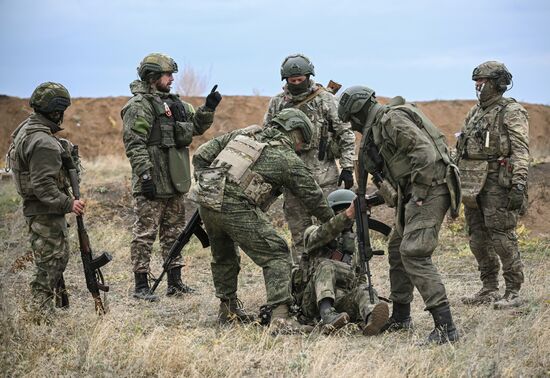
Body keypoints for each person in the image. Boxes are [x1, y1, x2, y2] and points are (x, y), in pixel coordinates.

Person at [190, 108, 334, 332]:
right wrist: (333, 222)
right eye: (302, 142)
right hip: (235, 207)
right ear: (295, 132)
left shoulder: (243, 135)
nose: (300, 148)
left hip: (207, 203)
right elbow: (313, 196)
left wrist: (209, 184)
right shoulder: (285, 158)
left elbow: (201, 154)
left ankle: (227, 310)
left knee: (224, 256)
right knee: (276, 252)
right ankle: (281, 317)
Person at [338, 86, 460, 344]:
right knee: (396, 248)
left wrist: (419, 194)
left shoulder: (391, 119)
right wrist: (374, 198)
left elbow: (425, 155)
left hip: (430, 189)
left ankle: (445, 328)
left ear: (359, 113)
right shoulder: (378, 128)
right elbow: (399, 172)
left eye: (352, 120)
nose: (352, 126)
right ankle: (402, 317)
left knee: (413, 252)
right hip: (416, 191)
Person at [121, 53, 221, 301]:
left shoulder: (176, 105)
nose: (172, 78)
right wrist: (145, 176)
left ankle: (175, 283)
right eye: (168, 74)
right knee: (145, 234)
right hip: (153, 181)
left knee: (173, 233)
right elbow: (135, 144)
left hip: (175, 181)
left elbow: (195, 127)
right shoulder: (139, 106)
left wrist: (208, 108)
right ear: (153, 77)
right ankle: (141, 286)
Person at [263, 53, 356, 263]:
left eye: (300, 80)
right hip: (291, 181)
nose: (297, 84)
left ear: (309, 76)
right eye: (292, 81)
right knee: (299, 236)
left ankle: (334, 275)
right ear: (285, 80)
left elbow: (345, 133)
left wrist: (348, 167)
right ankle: (303, 282)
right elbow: (266, 136)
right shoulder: (278, 103)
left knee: (329, 231)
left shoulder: (325, 99)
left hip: (324, 180)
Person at [456, 61, 529, 309]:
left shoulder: (511, 111)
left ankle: (514, 291)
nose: (478, 86)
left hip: (498, 183)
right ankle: (488, 288)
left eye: (483, 81)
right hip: (473, 184)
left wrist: (518, 184)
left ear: (498, 83)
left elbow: (520, 151)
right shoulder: (475, 112)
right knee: (477, 239)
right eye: (477, 81)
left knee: (503, 238)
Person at [7, 82, 84, 315]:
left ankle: (46, 308)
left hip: (38, 208)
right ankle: (40, 314)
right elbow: (43, 185)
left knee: (50, 259)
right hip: (45, 210)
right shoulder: (44, 143)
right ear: (55, 111)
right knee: (52, 262)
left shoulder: (26, 129)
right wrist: (69, 203)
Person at [296, 189, 390, 335]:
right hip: (313, 301)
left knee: (365, 289)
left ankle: (372, 320)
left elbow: (360, 278)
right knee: (327, 265)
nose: (349, 217)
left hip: (341, 301)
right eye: (342, 211)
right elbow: (322, 234)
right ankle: (327, 314)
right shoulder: (314, 232)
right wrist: (346, 216)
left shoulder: (355, 242)